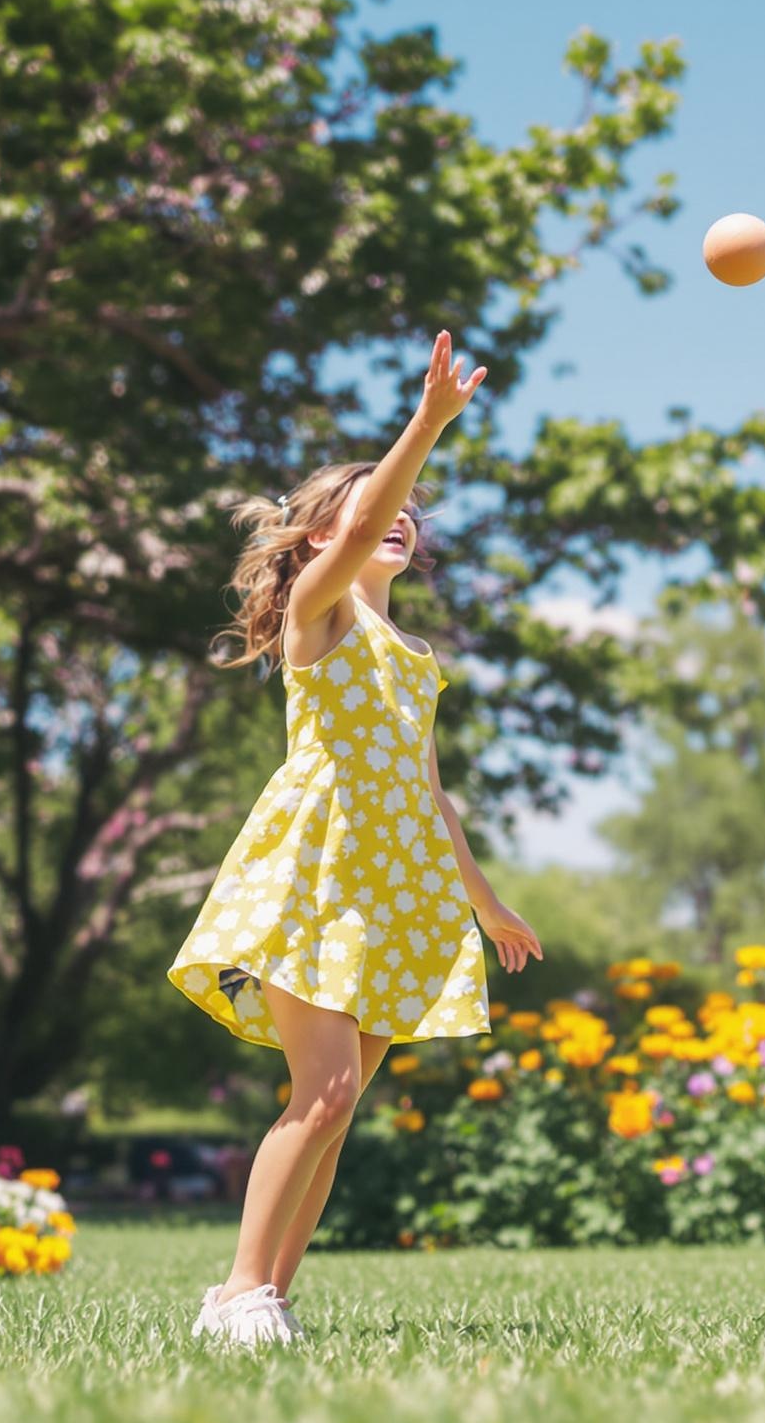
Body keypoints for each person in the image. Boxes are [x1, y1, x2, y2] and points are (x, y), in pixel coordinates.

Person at [171, 331, 543, 1346]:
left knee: (340, 1107)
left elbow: (431, 792)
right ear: (320, 540)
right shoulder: (316, 611)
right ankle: (236, 1293)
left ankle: (273, 1296)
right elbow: (367, 515)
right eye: (377, 508)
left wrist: (483, 900)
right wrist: (424, 426)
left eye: (410, 513)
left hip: (400, 887)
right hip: (319, 876)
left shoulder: (414, 656)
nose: (399, 518)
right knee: (322, 1089)